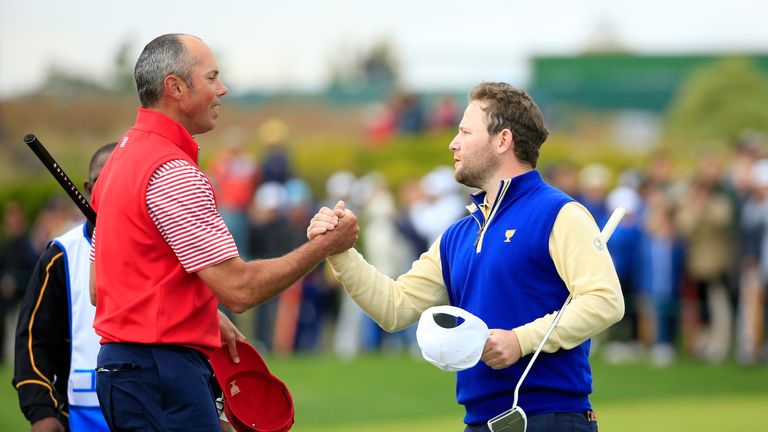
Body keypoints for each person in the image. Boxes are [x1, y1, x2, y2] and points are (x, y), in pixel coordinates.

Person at [309, 82, 624, 432]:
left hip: (552, 418)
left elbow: (605, 300)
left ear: (502, 141)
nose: (452, 143)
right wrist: (339, 251)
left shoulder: (559, 212)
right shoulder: (457, 234)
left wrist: (521, 340)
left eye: (464, 131)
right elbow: (393, 307)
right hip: (478, 423)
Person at [89, 33, 358, 431]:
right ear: (176, 87)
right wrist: (321, 248)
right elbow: (240, 289)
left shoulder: (120, 157)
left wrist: (197, 313)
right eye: (212, 77)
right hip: (163, 373)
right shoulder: (172, 171)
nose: (223, 89)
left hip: (124, 372)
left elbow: (102, 288)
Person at [12, 143, 116, 432]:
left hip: (147, 412)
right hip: (78, 416)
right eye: (101, 180)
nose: (110, 188)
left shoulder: (165, 248)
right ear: (87, 187)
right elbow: (33, 339)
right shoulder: (62, 255)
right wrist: (42, 411)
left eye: (119, 178)